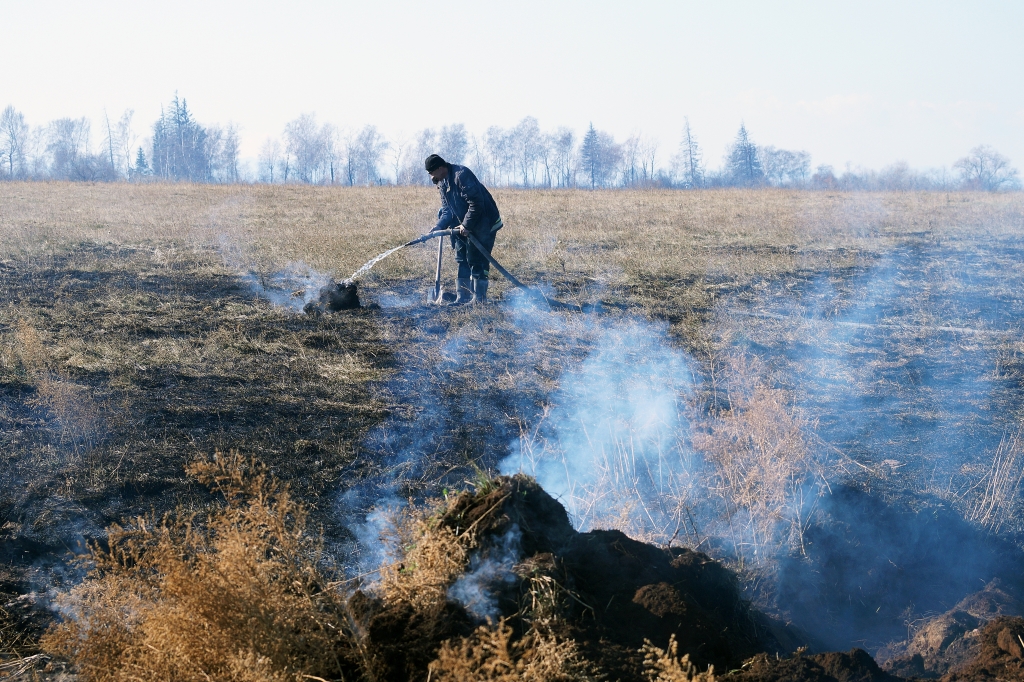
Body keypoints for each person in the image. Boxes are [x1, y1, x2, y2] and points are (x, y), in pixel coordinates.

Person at [426, 154, 503, 303]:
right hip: (463, 224)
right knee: (462, 258)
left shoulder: (461, 175)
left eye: (431, 172)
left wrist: (466, 225)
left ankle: (479, 298)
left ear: (440, 168)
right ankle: (462, 296)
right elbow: (447, 210)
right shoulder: (442, 182)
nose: (431, 177)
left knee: (476, 259)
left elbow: (476, 204)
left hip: (484, 222)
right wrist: (439, 226)